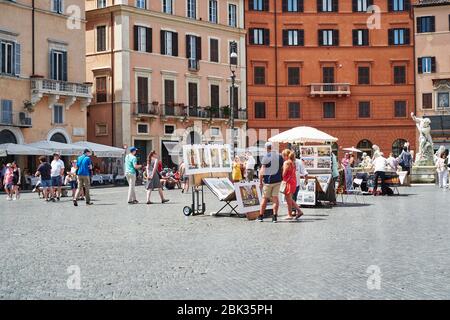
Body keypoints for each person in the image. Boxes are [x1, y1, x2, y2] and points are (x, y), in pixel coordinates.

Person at [257, 142, 284, 223]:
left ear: (266, 148)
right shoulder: (279, 157)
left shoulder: (265, 157)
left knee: (264, 199)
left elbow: (262, 171)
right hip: (278, 180)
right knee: (275, 199)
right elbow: (282, 168)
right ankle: (274, 217)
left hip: (268, 181)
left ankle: (261, 216)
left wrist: (260, 182)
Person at [282, 149, 303, 220]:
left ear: (286, 156)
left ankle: (290, 214)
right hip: (293, 181)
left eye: (283, 156)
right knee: (290, 199)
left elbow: (284, 174)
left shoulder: (286, 162)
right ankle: (298, 211)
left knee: (289, 199)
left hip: (288, 182)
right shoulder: (293, 162)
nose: (283, 157)